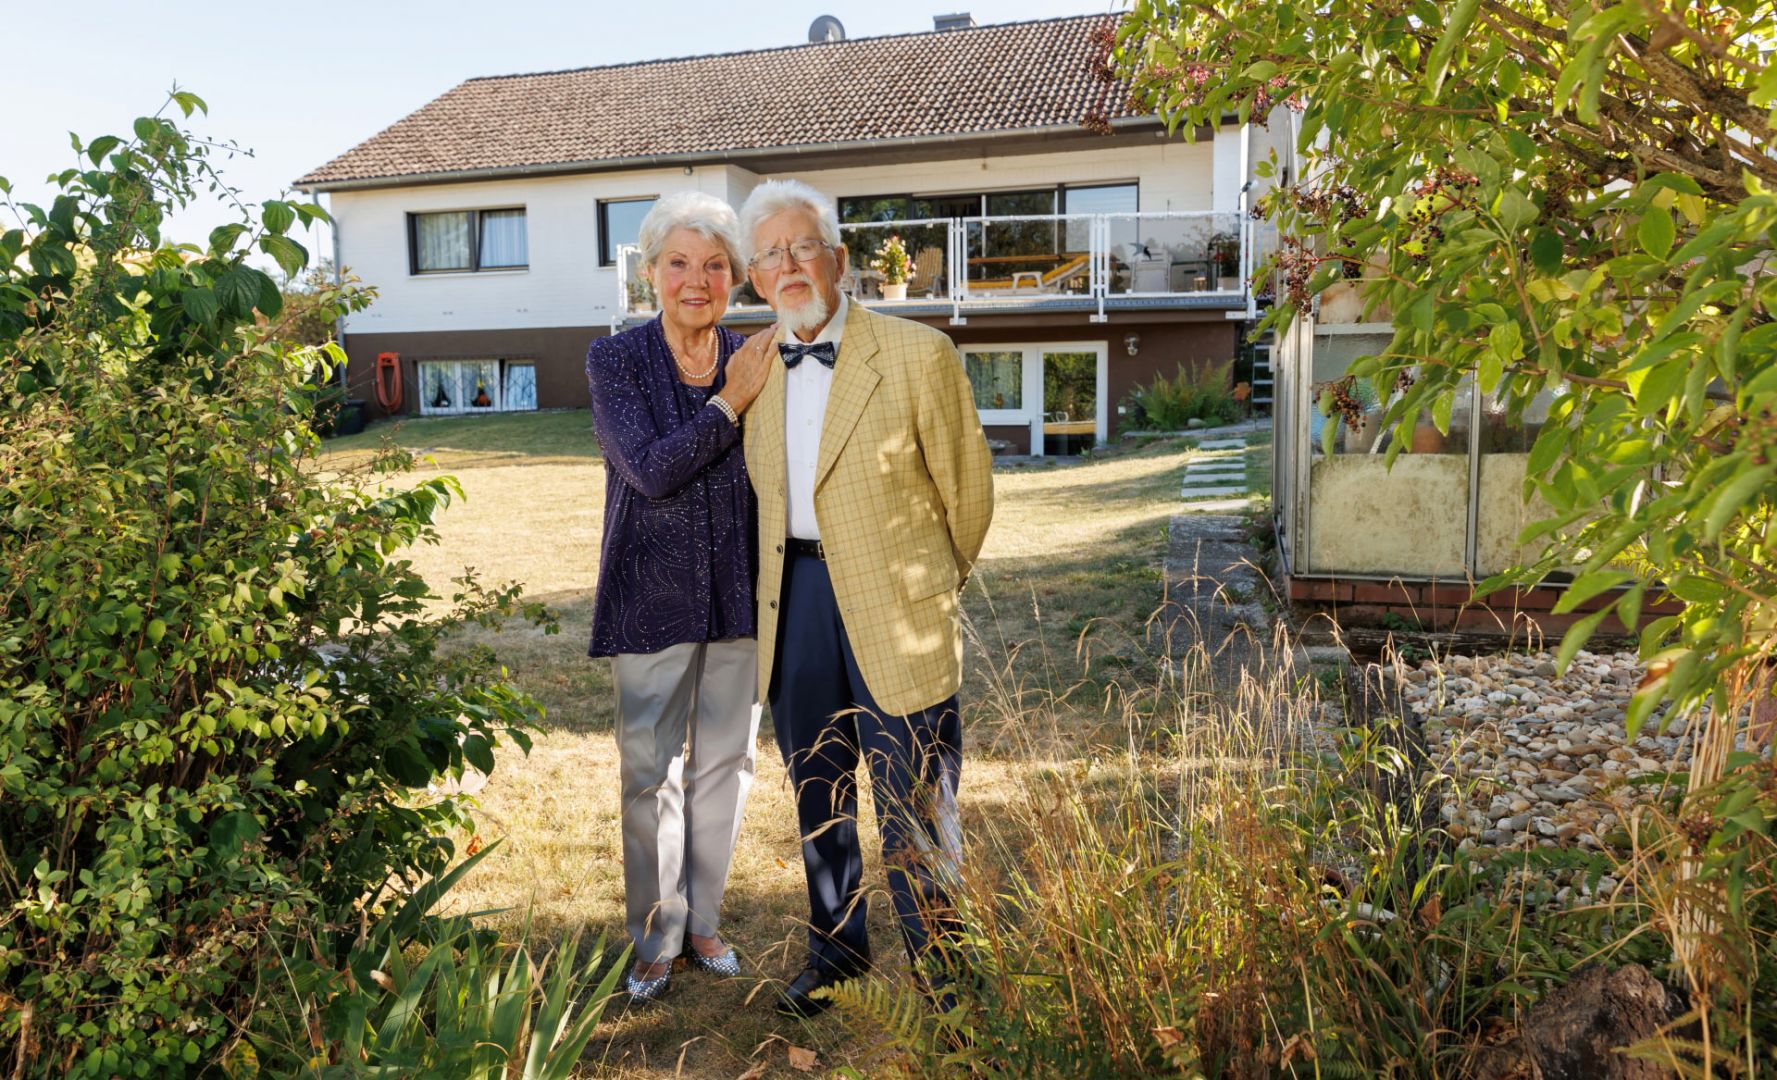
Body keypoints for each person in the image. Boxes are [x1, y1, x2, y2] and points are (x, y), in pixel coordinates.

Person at [735, 179, 994, 1016]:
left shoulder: (917, 353)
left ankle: (947, 976)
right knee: (821, 787)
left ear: (837, 259)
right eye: (771, 253)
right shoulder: (750, 372)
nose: (789, 264)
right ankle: (837, 953)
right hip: (796, 602)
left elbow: (969, 494)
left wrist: (929, 586)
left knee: (914, 795)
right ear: (753, 274)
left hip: (898, 604)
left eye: (802, 245)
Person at [584, 191, 776, 1003]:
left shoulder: (762, 353)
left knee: (725, 766)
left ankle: (703, 921)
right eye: (678, 263)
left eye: (714, 265)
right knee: (647, 771)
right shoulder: (616, 359)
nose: (695, 281)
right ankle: (657, 934)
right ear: (651, 270)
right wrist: (729, 401)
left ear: (736, 277)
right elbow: (652, 469)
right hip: (649, 592)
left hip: (740, 590)